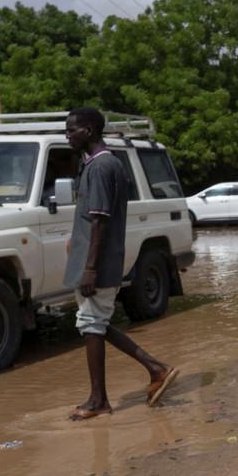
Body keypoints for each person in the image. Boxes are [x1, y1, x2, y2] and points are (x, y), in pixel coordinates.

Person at [65, 108, 177, 421]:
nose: (68, 135)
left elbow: (100, 220)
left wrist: (89, 267)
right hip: (96, 256)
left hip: (98, 262)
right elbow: (92, 219)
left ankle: (99, 400)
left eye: (71, 130)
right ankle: (155, 368)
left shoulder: (101, 166)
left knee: (91, 322)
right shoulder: (100, 163)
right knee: (94, 322)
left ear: (88, 131)